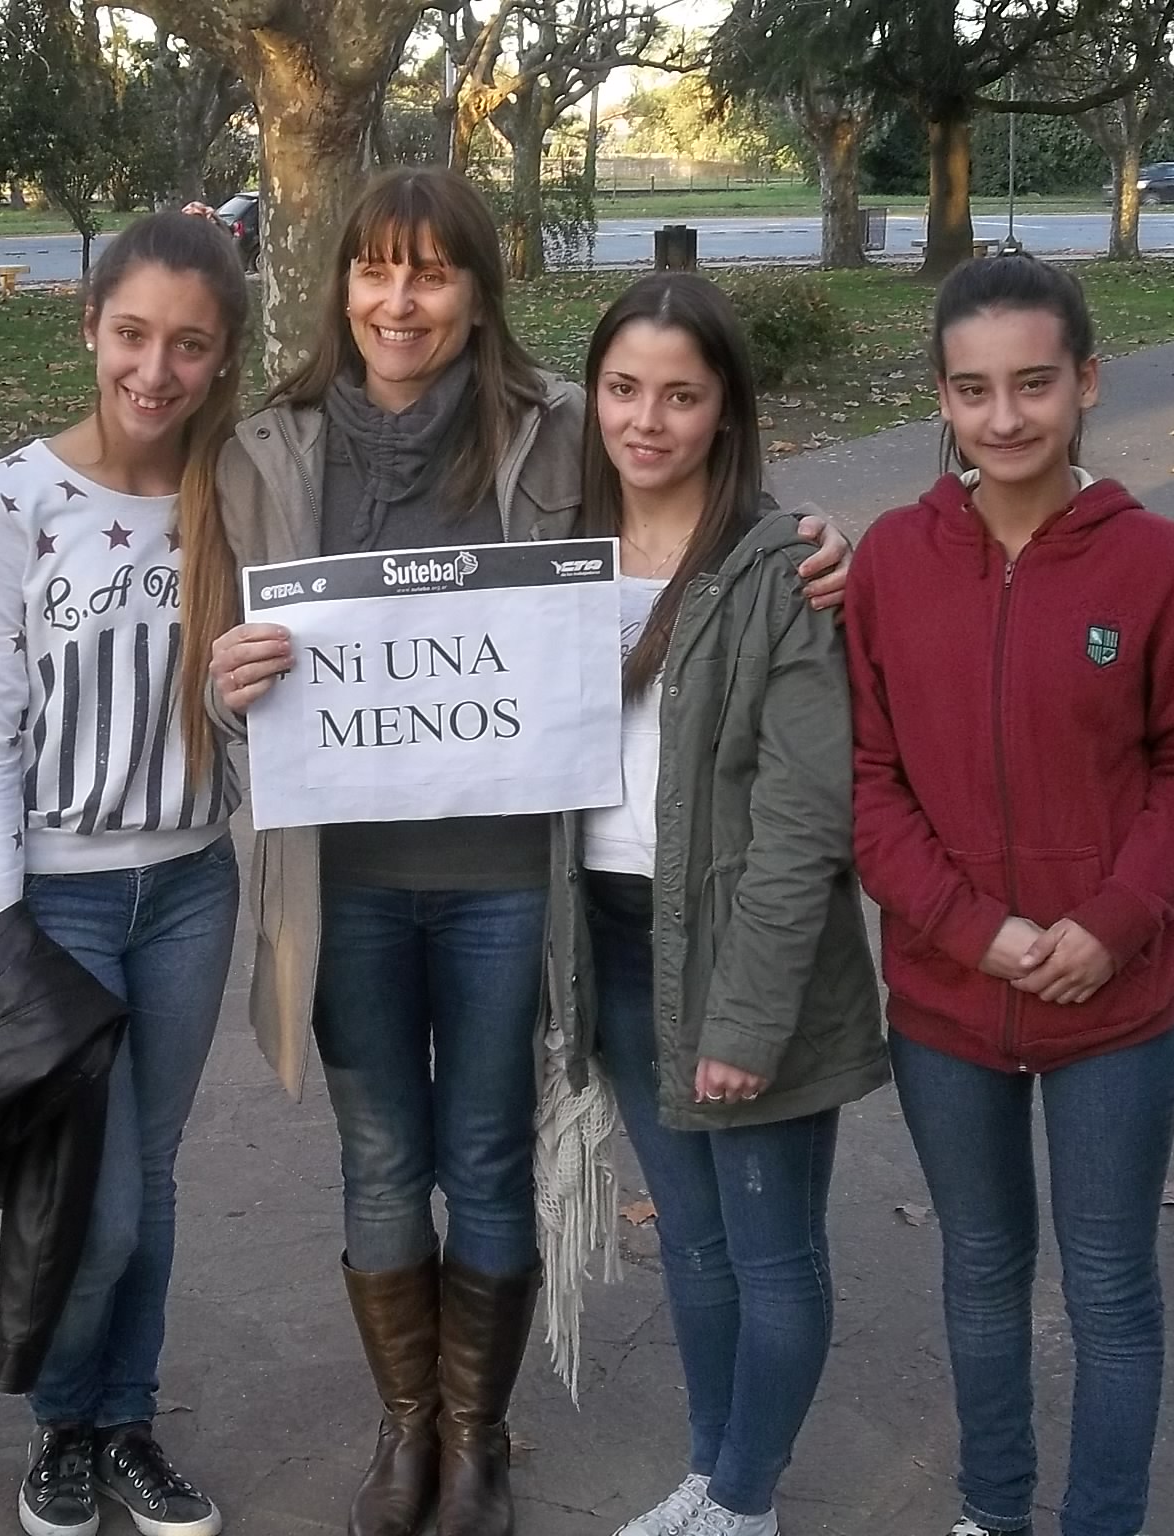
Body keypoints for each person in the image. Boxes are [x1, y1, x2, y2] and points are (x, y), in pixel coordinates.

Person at [206, 169, 851, 1536]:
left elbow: (692, 491)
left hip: (513, 879)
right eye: (375, 269)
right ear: (339, 285)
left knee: (489, 1155)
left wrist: (812, 542)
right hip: (342, 884)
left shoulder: (556, 427)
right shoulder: (266, 447)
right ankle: (408, 1429)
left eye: (432, 272)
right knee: (381, 1157)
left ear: (478, 292)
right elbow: (220, 661)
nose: (399, 301)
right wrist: (225, 684)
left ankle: (478, 1437)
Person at [845, 253, 1174, 1536]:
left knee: (1109, 1287)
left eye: (1032, 383)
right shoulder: (889, 565)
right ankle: (991, 1510)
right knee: (979, 1273)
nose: (1004, 416)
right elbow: (865, 782)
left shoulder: (1156, 567)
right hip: (945, 1006)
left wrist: (1110, 924)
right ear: (940, 398)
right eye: (972, 389)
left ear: (1086, 382)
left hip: (1112, 1009)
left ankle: (1100, 1520)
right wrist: (972, 931)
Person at [539, 272, 888, 1536]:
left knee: (769, 1250)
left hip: (744, 956)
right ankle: (708, 1473)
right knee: (689, 1242)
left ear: (724, 409)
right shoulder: (555, 558)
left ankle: (742, 1503)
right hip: (615, 945)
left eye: (679, 396)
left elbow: (803, 821)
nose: (646, 420)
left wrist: (745, 1019)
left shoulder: (779, 569)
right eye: (622, 389)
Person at [0, 212, 248, 1536]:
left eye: (189, 345)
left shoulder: (234, 498)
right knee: (102, 1204)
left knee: (153, 1176)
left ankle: (125, 1420)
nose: (155, 370)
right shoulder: (7, 501)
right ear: (89, 328)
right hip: (58, 903)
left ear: (222, 357)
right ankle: (60, 1421)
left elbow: (260, 703)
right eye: (132, 334)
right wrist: (2, 924)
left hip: (189, 886)